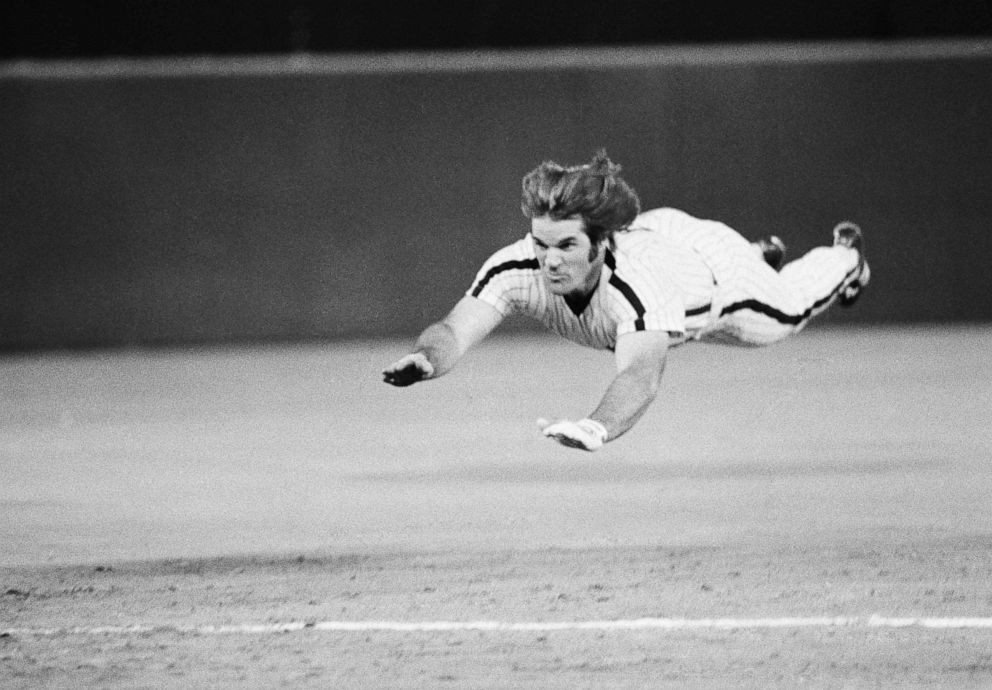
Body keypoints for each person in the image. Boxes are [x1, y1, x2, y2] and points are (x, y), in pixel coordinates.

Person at [382, 151, 870, 451]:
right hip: (663, 238)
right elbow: (455, 328)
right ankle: (760, 253)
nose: (549, 260)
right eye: (541, 243)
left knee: (787, 313)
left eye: (567, 246)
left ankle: (843, 259)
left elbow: (640, 374)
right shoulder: (517, 267)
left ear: (601, 243)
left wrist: (597, 427)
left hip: (716, 273)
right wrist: (427, 358)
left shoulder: (635, 288)